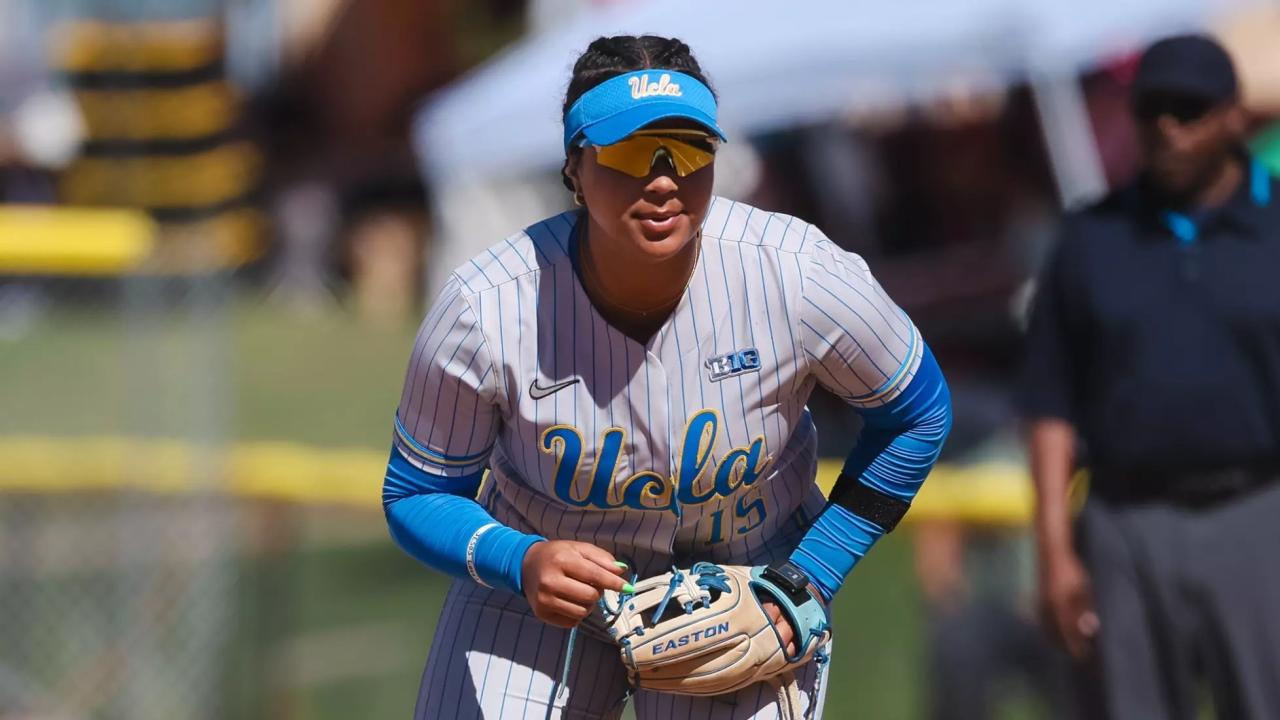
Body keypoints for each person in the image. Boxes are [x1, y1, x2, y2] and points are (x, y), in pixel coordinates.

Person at [383, 35, 951, 719]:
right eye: (629, 152)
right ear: (574, 165)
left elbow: (918, 413)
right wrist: (516, 559)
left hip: (747, 585)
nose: (662, 177)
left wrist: (810, 577)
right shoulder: (488, 306)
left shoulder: (796, 274)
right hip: (538, 590)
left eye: (688, 149)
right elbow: (417, 492)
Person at [1021, 34, 1280, 720]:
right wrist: (1053, 549)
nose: (1167, 125)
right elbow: (1049, 403)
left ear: (1233, 116)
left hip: (1257, 511)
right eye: (1150, 109)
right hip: (1124, 522)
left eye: (1188, 109)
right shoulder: (1090, 238)